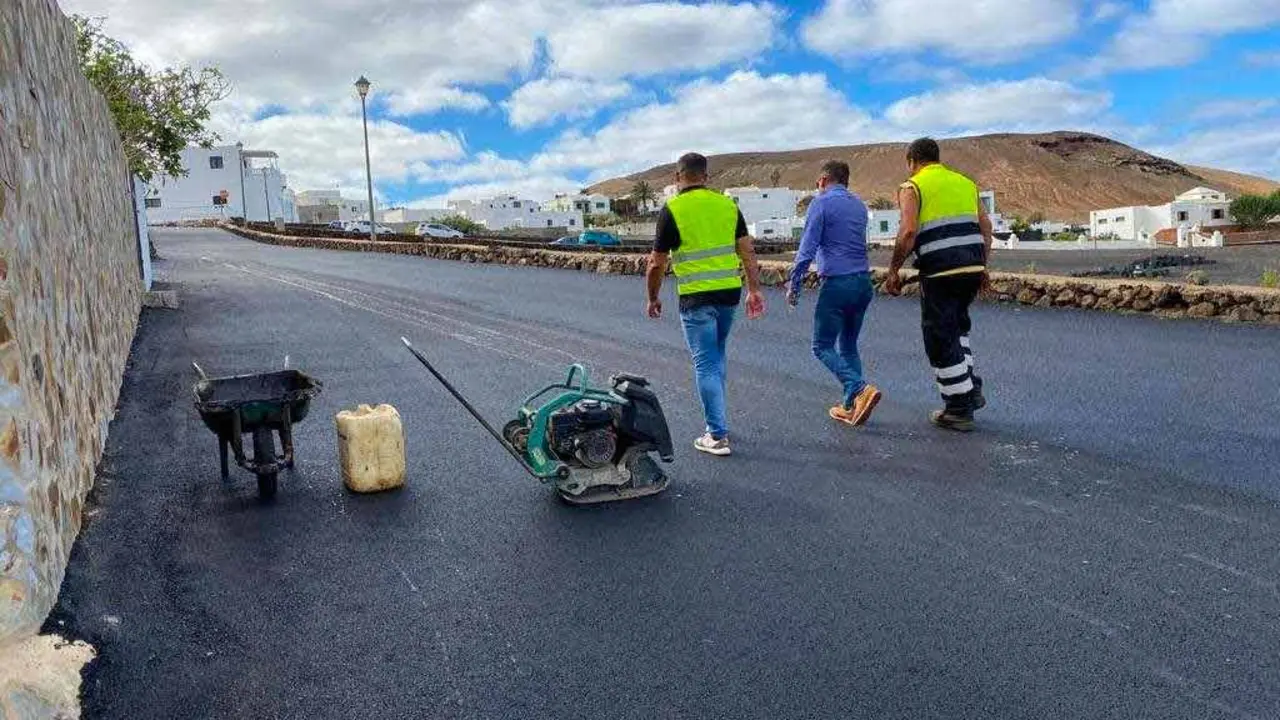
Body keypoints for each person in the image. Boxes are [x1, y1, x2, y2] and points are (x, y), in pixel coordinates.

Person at [646, 152, 766, 456]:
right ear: (706, 177)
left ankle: (716, 434)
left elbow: (656, 264)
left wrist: (653, 297)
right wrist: (755, 290)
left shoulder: (672, 209)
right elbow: (748, 253)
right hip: (729, 293)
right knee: (717, 355)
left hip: (696, 296)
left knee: (705, 363)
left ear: (677, 177)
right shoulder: (727, 205)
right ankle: (719, 420)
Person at [884, 138, 993, 432]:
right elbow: (986, 227)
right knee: (958, 328)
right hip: (971, 265)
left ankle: (958, 408)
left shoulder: (912, 186)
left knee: (939, 336)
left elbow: (908, 231)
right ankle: (971, 390)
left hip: (940, 271)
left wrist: (893, 269)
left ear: (911, 161)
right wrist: (983, 265)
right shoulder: (966, 183)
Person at [787, 160, 881, 425]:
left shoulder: (822, 202)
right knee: (848, 345)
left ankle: (860, 389)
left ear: (823, 180)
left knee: (822, 346)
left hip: (837, 284)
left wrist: (794, 285)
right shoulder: (859, 205)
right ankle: (851, 406)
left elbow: (807, 249)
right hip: (863, 282)